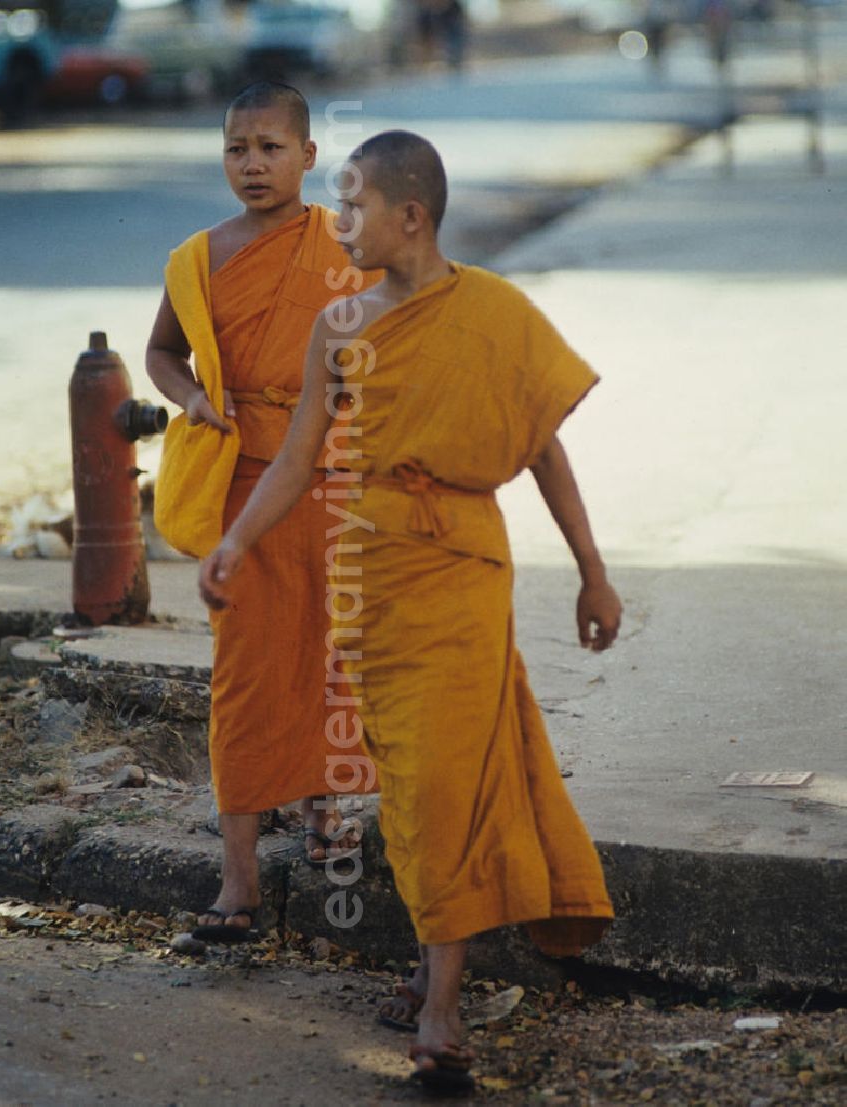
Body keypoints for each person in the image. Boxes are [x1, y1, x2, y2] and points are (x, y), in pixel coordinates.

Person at [198, 129, 622, 1091]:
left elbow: (545, 451)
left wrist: (592, 570)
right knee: (405, 775)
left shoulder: (498, 314)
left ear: (412, 217)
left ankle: (440, 1004)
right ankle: (434, 972)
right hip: (373, 577)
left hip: (465, 567)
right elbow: (303, 454)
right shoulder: (340, 327)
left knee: (445, 777)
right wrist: (237, 541)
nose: (336, 222)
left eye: (351, 207)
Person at [146, 81, 378, 943]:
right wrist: (193, 399)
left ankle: (325, 816)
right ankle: (237, 883)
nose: (253, 164)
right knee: (245, 674)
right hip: (244, 482)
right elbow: (161, 352)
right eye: (238, 148)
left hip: (339, 481)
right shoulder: (199, 258)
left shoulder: (345, 244)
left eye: (272, 147)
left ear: (309, 157)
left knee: (331, 652)